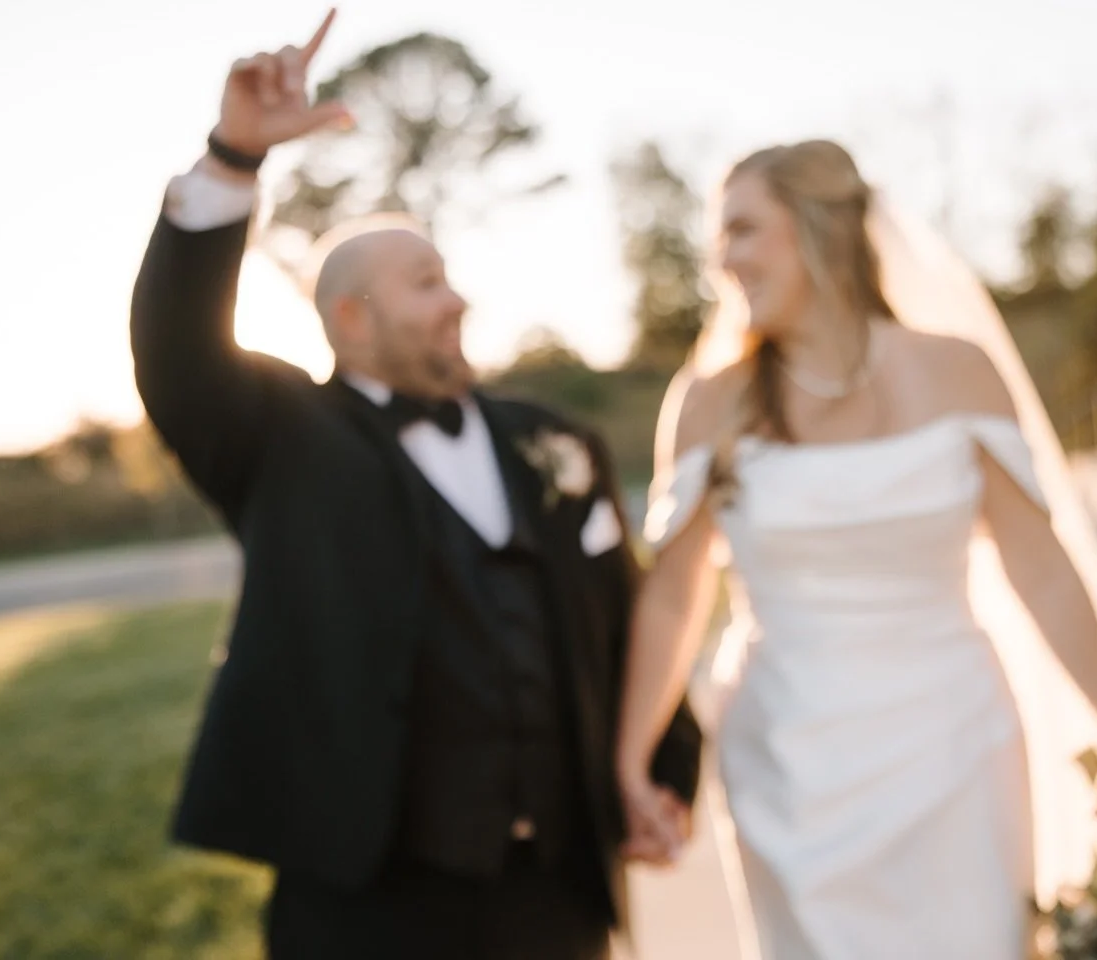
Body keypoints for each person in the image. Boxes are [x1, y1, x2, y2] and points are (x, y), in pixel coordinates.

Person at [128, 11, 701, 960]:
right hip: (366, 901)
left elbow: (628, 616)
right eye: (428, 282)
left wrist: (665, 768)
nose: (459, 299)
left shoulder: (559, 442)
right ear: (351, 319)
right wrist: (232, 158)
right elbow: (178, 349)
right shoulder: (282, 439)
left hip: (556, 890)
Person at [614, 139, 1097, 958]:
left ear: (817, 230)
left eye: (742, 229)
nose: (721, 258)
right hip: (787, 759)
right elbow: (674, 594)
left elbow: (1041, 569)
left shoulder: (959, 373)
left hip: (956, 745)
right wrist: (630, 760)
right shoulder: (709, 402)